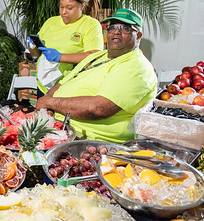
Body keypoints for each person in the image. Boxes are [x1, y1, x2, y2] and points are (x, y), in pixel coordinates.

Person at [34, 8, 157, 143]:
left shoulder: (137, 66)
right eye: (112, 28)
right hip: (57, 129)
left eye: (125, 28)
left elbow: (98, 109)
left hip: (88, 142)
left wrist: (49, 103)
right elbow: (62, 83)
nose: (116, 32)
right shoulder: (97, 56)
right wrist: (48, 111)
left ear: (138, 35)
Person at [34, 0, 104, 95]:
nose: (63, 12)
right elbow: (38, 51)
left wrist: (61, 57)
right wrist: (31, 49)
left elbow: (95, 55)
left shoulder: (90, 25)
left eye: (69, 8)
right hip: (43, 87)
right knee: (42, 113)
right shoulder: (50, 22)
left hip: (70, 88)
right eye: (61, 7)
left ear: (82, 6)